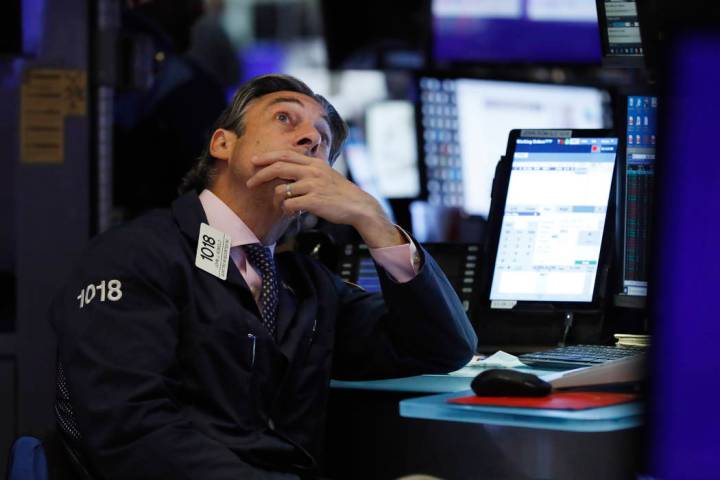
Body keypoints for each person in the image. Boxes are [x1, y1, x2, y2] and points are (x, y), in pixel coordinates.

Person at [50, 74, 477, 479]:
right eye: (284, 118)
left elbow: (442, 348)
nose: (310, 138)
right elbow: (132, 433)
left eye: (323, 140)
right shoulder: (139, 253)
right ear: (223, 143)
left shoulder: (306, 287)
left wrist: (374, 220)